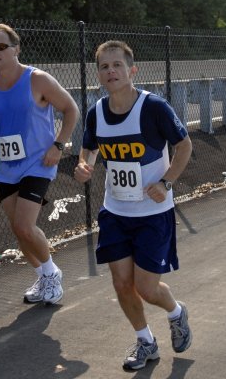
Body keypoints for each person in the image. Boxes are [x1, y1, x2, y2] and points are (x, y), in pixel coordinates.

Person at [74, 40, 193, 370]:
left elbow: (184, 145)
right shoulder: (96, 112)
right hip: (115, 212)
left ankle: (176, 312)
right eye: (104, 66)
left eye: (117, 65)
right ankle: (145, 341)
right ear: (98, 74)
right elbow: (89, 149)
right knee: (121, 283)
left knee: (146, 288)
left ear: (131, 70)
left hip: (153, 213)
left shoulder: (153, 107)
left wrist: (167, 181)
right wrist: (85, 164)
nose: (110, 71)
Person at [0, 23, 79, 305]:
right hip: (7, 166)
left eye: (1, 46)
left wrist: (59, 145)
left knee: (25, 225)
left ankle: (51, 273)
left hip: (38, 161)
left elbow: (71, 109)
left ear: (16, 49)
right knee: (18, 229)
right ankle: (42, 275)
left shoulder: (37, 79)